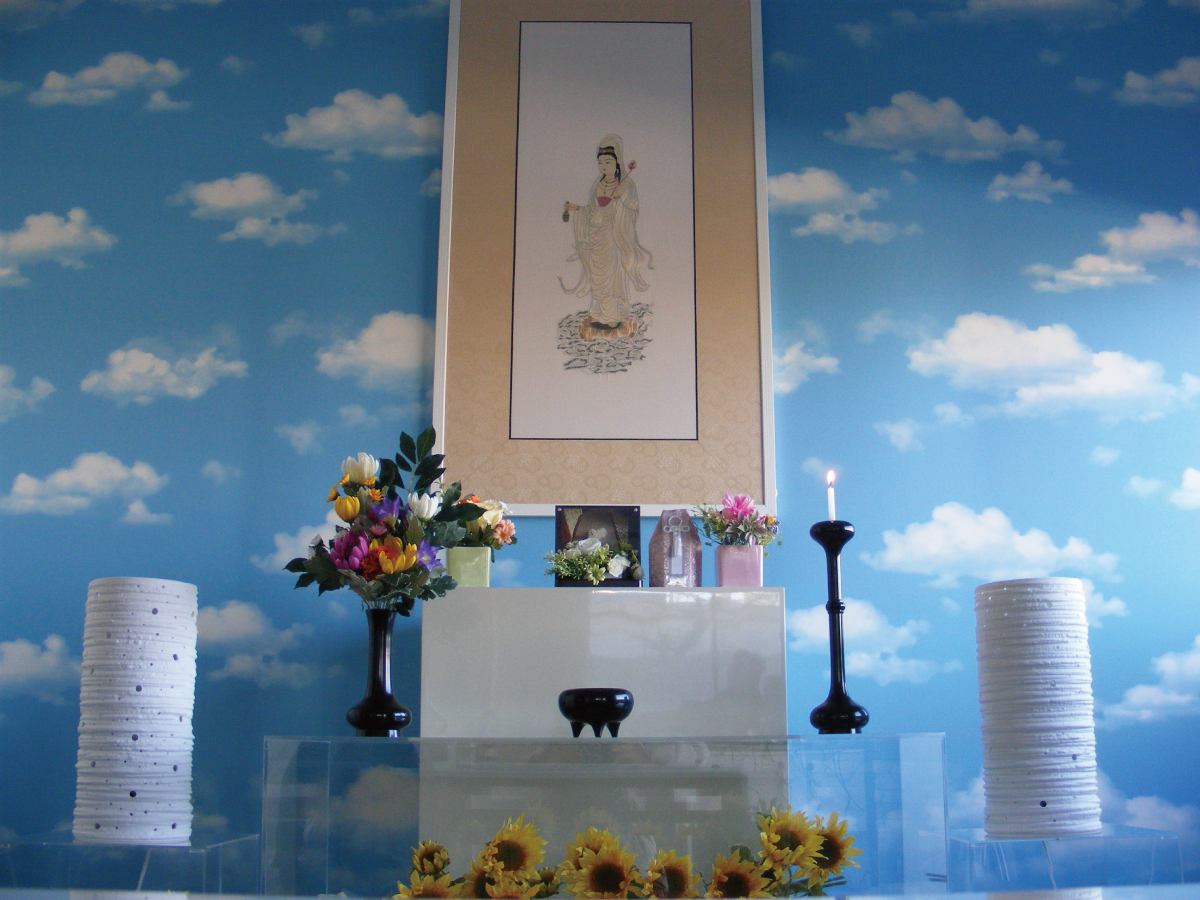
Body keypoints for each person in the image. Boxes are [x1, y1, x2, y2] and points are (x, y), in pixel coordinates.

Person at [560, 134, 653, 339]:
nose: (603, 166)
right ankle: (598, 314)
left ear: (617, 162)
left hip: (613, 235)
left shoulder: (627, 184)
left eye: (608, 162)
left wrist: (620, 199)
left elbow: (632, 210)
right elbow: (592, 210)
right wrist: (577, 209)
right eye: (600, 162)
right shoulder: (598, 183)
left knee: (612, 276)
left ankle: (614, 316)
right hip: (596, 235)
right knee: (597, 276)